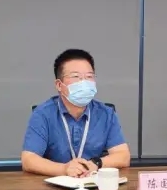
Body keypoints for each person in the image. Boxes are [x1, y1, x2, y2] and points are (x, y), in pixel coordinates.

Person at [21, 49, 131, 177]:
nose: (84, 83)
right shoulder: (43, 114)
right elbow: (28, 160)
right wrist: (64, 169)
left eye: (89, 77)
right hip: (55, 184)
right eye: (76, 77)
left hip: (93, 183)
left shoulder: (106, 114)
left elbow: (123, 156)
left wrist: (96, 163)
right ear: (59, 85)